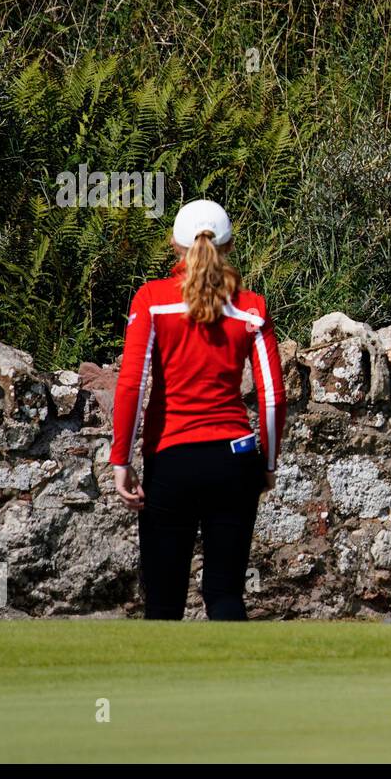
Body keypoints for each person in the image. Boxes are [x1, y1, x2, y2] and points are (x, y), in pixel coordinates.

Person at [110, 199, 286, 621]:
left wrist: (120, 459)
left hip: (171, 461)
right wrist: (269, 461)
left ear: (174, 244)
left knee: (164, 603)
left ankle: (163, 687)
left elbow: (132, 384)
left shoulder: (152, 300)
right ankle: (235, 686)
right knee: (226, 595)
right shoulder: (252, 307)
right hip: (234, 459)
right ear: (227, 245)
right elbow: (272, 397)